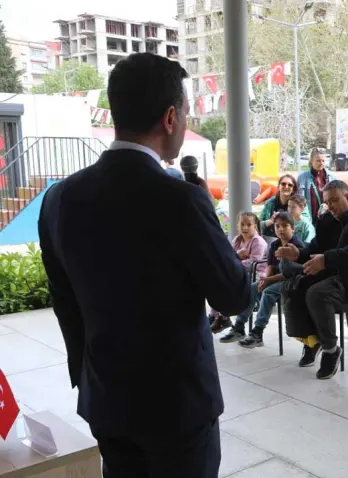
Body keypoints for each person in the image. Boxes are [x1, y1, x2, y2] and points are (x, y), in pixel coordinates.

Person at [37, 52, 250, 477]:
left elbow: (65, 301)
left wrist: (86, 376)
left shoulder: (60, 199)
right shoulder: (182, 199)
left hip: (107, 402)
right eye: (186, 113)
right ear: (171, 117)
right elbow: (235, 295)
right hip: (179, 408)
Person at [279, 180, 348, 378]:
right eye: (327, 202)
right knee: (294, 286)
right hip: (336, 271)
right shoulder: (327, 220)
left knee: (317, 294)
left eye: (335, 200)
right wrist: (298, 254)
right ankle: (312, 340)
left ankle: (331, 349)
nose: (331, 206)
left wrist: (326, 260)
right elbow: (316, 247)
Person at [218, 212, 306, 346]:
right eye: (277, 226)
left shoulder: (296, 245)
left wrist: (268, 281)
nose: (281, 229)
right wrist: (265, 279)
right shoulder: (275, 244)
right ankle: (239, 326)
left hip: (292, 281)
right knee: (252, 288)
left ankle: (258, 332)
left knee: (268, 292)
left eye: (285, 226)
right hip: (276, 278)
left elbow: (289, 273)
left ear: (292, 228)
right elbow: (270, 266)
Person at [208, 212, 268, 331]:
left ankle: (224, 317)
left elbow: (253, 263)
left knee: (228, 283)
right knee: (217, 279)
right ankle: (213, 315)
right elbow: (229, 257)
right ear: (237, 225)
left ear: (255, 226)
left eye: (248, 224)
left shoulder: (258, 242)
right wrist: (236, 257)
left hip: (256, 274)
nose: (245, 227)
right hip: (239, 272)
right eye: (242, 224)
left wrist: (236, 261)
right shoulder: (237, 240)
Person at [298, 148, 338, 224]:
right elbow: (300, 200)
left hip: (329, 219)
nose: (321, 163)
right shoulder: (302, 177)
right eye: (318, 160)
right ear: (311, 161)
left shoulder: (332, 177)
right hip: (310, 220)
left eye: (323, 161)